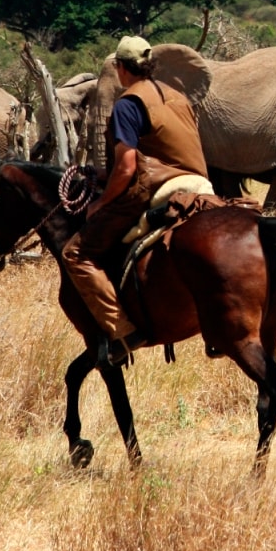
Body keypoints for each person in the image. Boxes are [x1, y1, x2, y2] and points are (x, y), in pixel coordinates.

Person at [62, 36, 213, 368]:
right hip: (201, 185)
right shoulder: (178, 97)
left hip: (163, 185)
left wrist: (101, 204)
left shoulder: (129, 103)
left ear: (119, 68)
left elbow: (129, 166)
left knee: (76, 253)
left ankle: (123, 332)